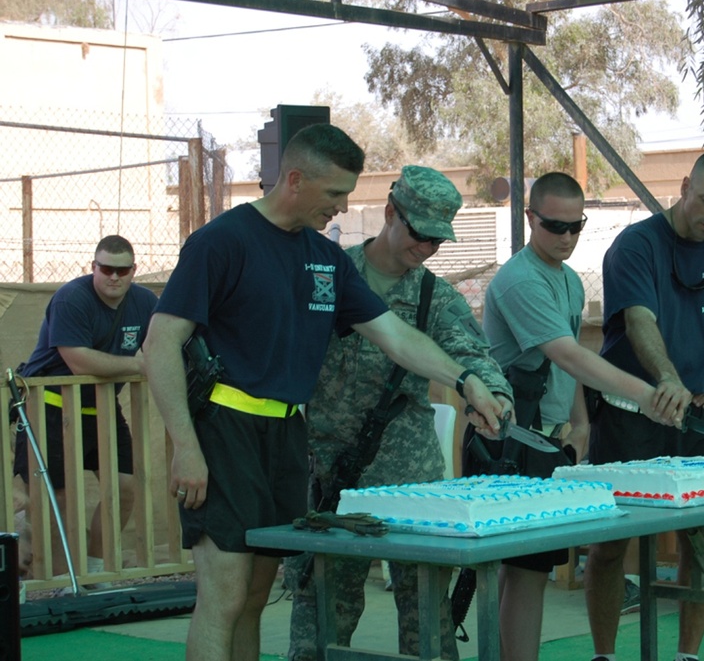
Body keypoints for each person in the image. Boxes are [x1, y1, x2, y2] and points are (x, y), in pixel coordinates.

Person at [142, 124, 507, 661]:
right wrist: (186, 445)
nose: (342, 205)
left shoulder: (324, 257)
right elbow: (159, 344)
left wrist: (465, 380)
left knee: (255, 599)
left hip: (288, 436)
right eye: (335, 193)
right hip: (225, 430)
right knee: (223, 597)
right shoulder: (222, 241)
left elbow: (394, 335)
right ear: (294, 179)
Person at [285, 166, 513, 661]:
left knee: (427, 616)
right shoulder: (329, 278)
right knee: (322, 611)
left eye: (438, 239)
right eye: (419, 233)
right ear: (390, 212)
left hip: (411, 478)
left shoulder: (434, 296)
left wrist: (491, 396)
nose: (428, 247)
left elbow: (473, 356)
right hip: (330, 473)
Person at [473, 171, 670, 661]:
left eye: (575, 227)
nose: (565, 237)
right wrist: (648, 394)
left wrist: (580, 423)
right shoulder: (521, 279)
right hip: (506, 440)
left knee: (526, 569)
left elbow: (568, 363)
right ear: (530, 219)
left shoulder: (567, 281)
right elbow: (569, 356)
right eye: (554, 226)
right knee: (523, 571)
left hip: (540, 439)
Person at [586, 150, 704, 661]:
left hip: (698, 420)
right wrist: (666, 379)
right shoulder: (636, 245)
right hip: (629, 414)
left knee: (702, 541)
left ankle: (688, 655)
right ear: (684, 186)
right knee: (609, 541)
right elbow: (639, 319)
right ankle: (605, 655)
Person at [13, 235, 157, 581]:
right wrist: (139, 366)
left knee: (125, 487)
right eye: (106, 268)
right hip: (50, 406)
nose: (114, 277)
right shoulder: (71, 298)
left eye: (123, 270)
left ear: (134, 271)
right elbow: (78, 361)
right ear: (92, 267)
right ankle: (64, 582)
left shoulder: (145, 302)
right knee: (59, 496)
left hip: (103, 408)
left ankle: (94, 572)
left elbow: (161, 346)